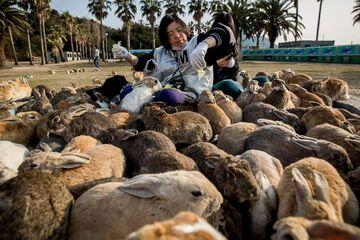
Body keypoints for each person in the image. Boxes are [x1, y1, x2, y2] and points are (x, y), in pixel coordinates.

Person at [113, 14, 237, 105]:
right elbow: (140, 63)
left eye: (179, 30)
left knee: (168, 95)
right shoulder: (160, 52)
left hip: (192, 94)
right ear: (166, 38)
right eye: (171, 34)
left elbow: (225, 29)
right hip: (159, 90)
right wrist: (126, 55)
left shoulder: (196, 42)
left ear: (185, 29)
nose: (177, 36)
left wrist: (204, 45)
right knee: (126, 89)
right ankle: (144, 102)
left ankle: (144, 103)